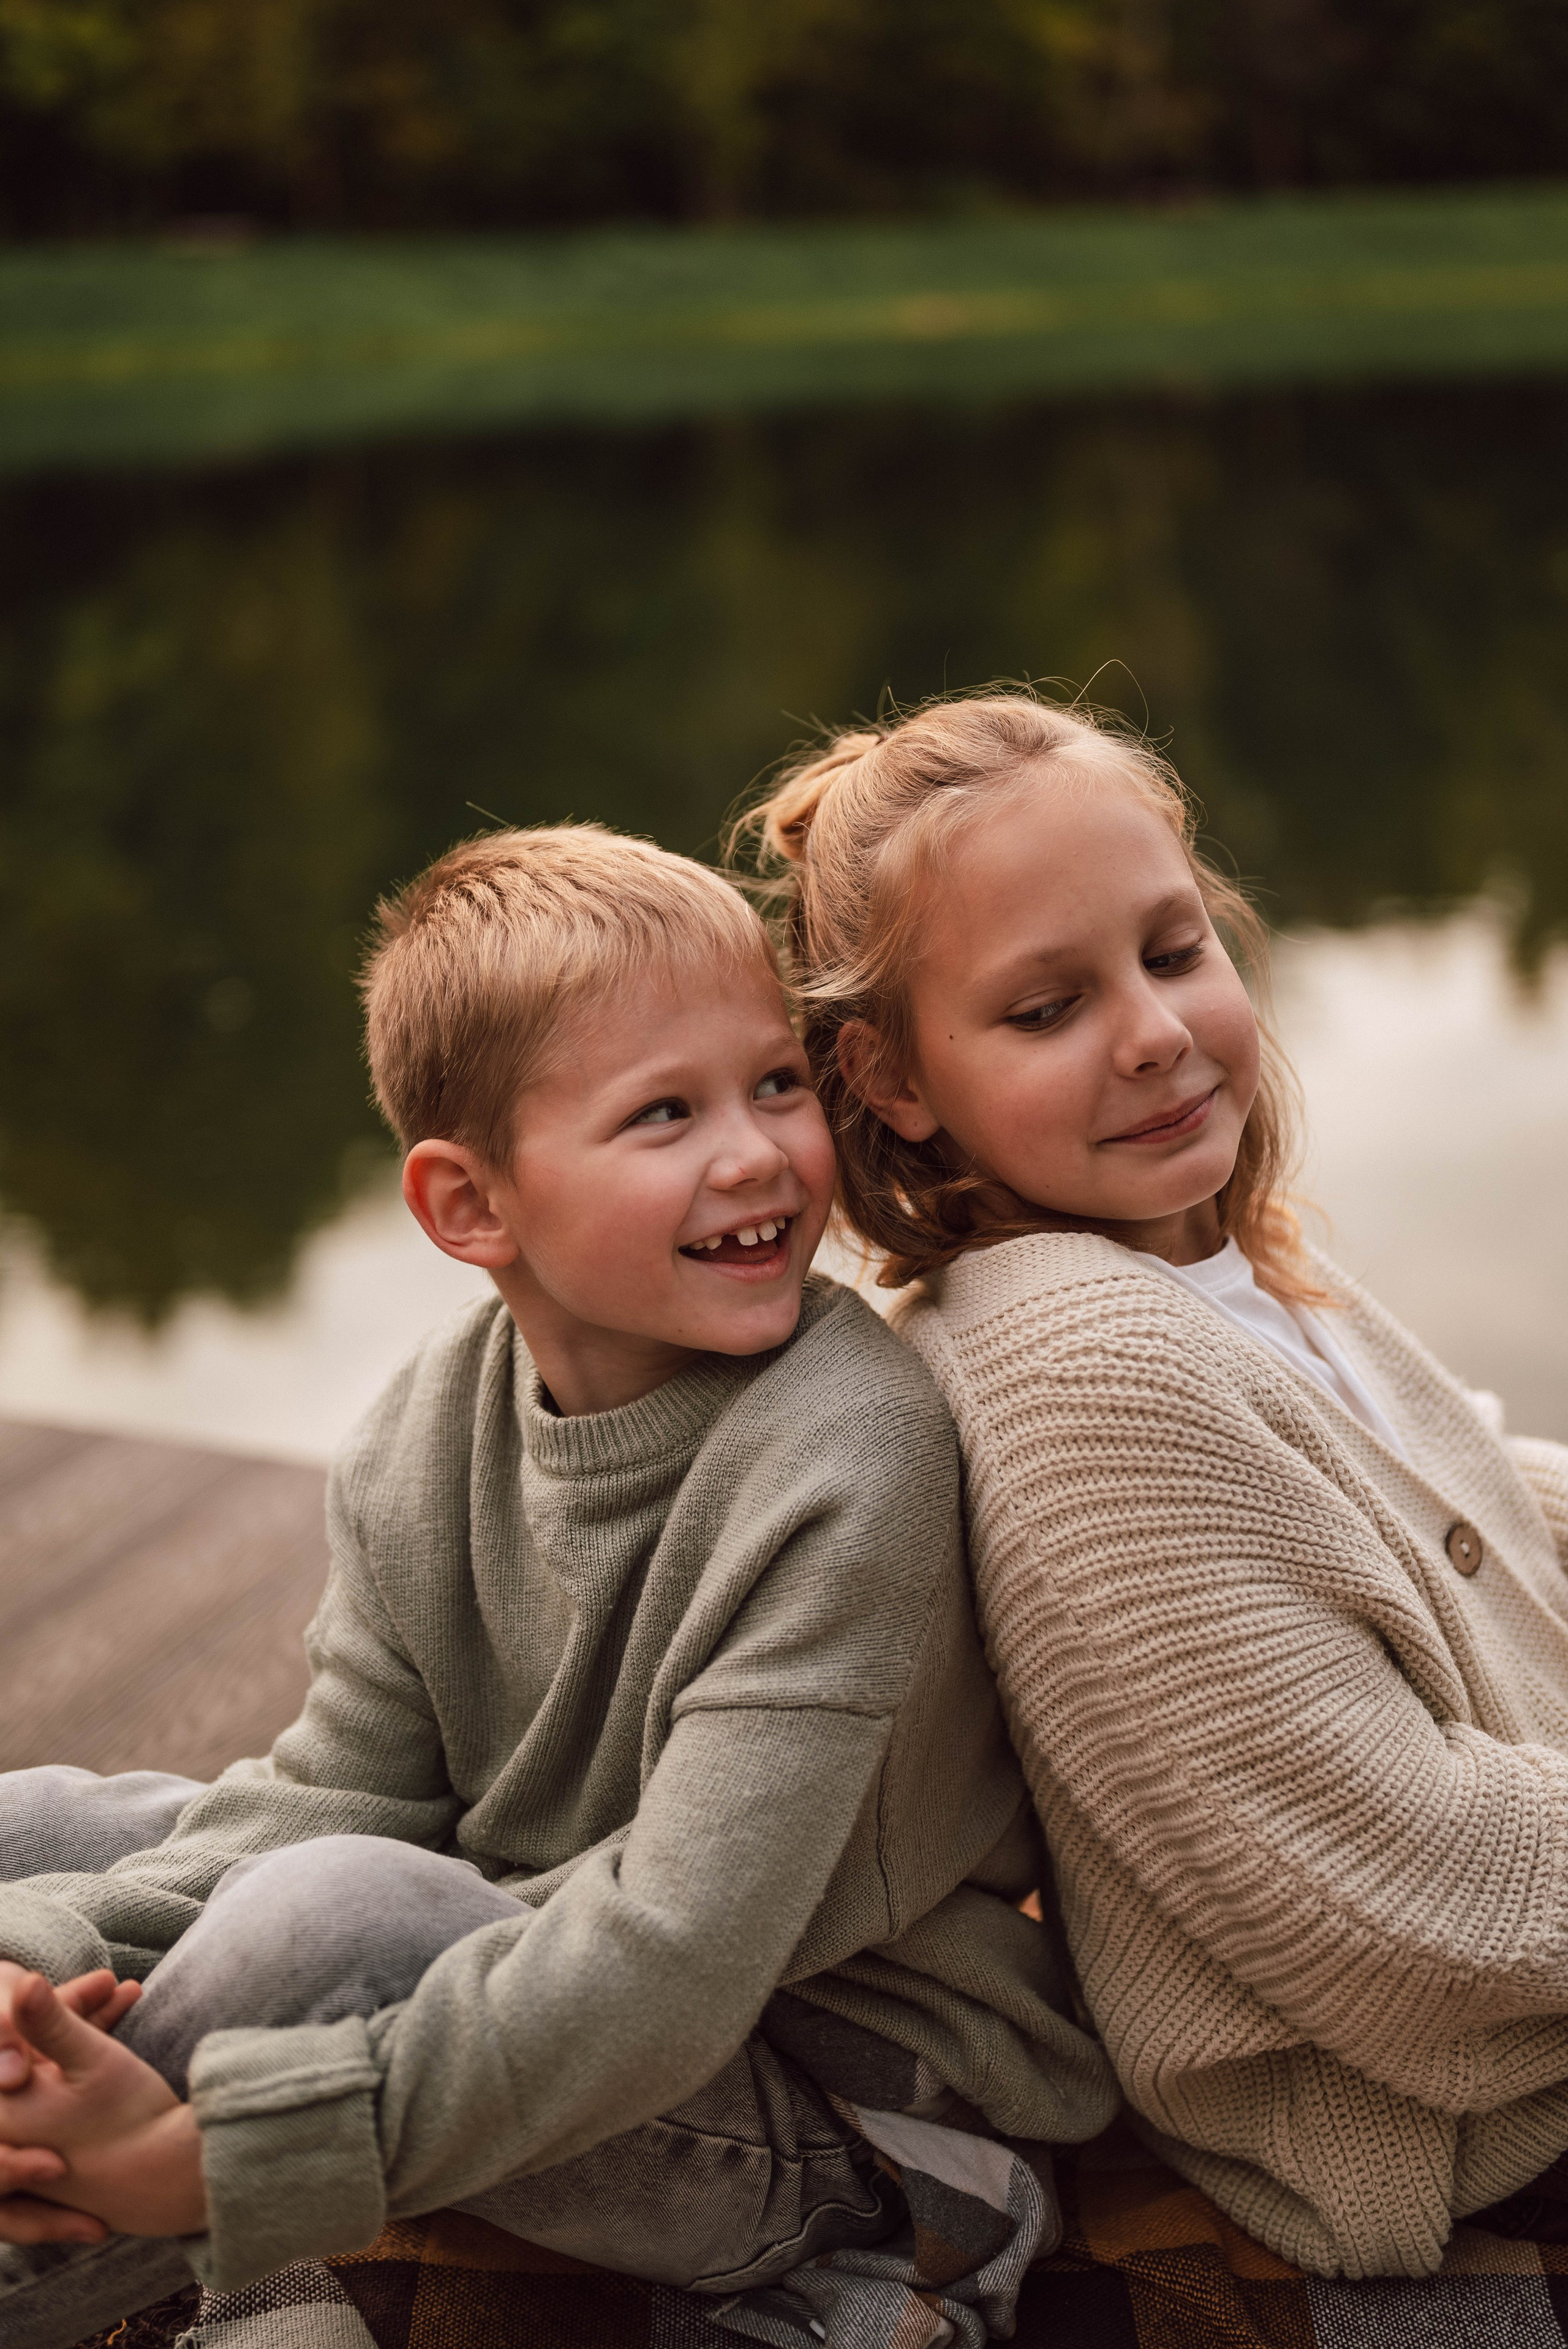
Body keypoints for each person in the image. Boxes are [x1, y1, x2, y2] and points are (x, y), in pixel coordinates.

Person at [0, 824, 1115, 2349]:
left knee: (336, 1916)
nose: (756, 1152)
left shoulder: (851, 1460)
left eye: (773, 1082)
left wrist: (211, 2157)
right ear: (471, 1207)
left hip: (855, 2124)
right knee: (42, 1829)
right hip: (534, 1953)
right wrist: (39, 1975)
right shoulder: (421, 1436)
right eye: (663, 1112)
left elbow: (669, 1957)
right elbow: (338, 1794)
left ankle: (74, 2257)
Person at [745, 689, 1568, 2284]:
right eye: (1047, 1008)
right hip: (1448, 2103)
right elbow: (1410, 1880)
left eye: (1173, 950)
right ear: (895, 1078)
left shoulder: (1199, 1255)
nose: (1153, 1032)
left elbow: (1469, 1483)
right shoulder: (1083, 1365)